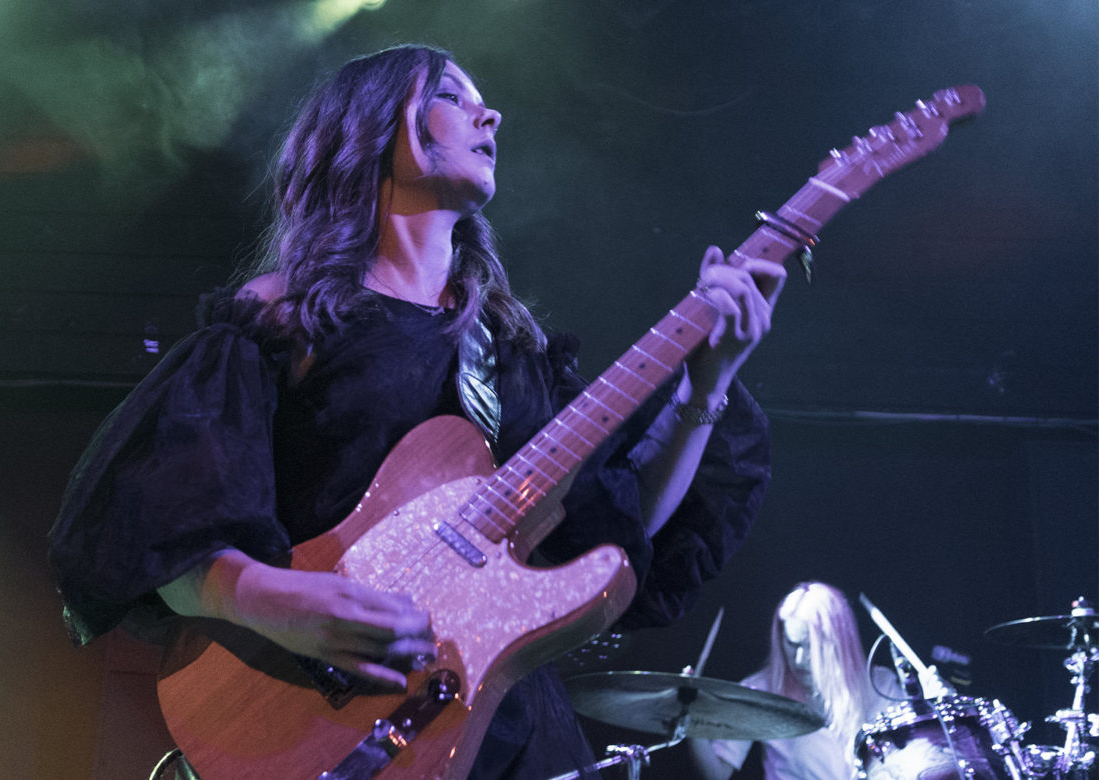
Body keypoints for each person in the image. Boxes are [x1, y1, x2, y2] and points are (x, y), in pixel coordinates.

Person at [48, 44, 785, 779]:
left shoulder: (512, 352)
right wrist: (271, 601)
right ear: (372, 125)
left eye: (483, 100)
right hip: (307, 716)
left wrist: (705, 387)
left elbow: (612, 529)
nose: (488, 113)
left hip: (503, 731)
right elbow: (154, 525)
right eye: (454, 96)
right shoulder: (284, 318)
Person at [689, 582, 900, 779]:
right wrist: (689, 719)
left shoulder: (880, 685)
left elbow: (917, 756)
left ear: (836, 643)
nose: (799, 659)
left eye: (810, 646)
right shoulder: (761, 689)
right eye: (792, 644)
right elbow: (718, 773)